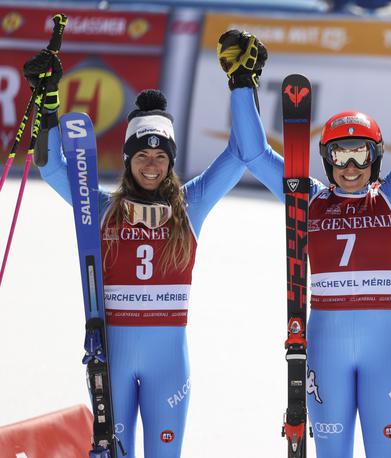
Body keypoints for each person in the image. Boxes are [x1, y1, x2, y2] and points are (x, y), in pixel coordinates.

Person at [215, 4, 391, 456]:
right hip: (327, 351)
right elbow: (255, 155)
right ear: (326, 161)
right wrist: (241, 85)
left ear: (375, 157)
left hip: (385, 355)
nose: (352, 166)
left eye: (360, 154)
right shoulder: (311, 202)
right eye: (340, 156)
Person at [23, 52, 248, 457]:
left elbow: (241, 153)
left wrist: (242, 84)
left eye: (161, 156)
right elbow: (53, 169)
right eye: (142, 155)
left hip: (169, 367)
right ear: (127, 160)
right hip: (114, 362)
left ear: (171, 160)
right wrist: (48, 100)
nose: (152, 165)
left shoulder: (191, 205)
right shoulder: (101, 209)